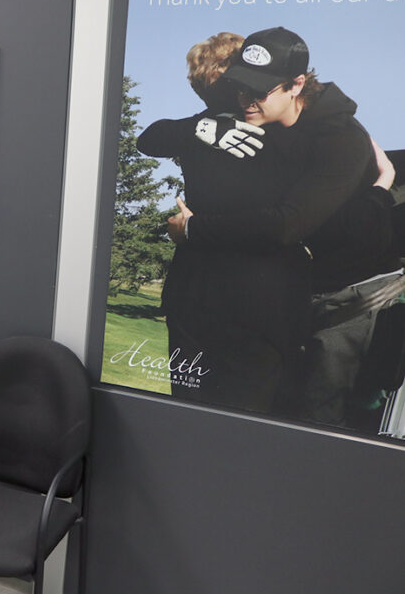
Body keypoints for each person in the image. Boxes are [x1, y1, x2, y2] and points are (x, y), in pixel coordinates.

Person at [138, 27, 390, 415]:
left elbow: (289, 223)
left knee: (234, 425)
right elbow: (151, 137)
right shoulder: (233, 121)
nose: (244, 98)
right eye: (238, 87)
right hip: (214, 301)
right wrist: (202, 128)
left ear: (294, 84)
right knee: (199, 420)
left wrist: (192, 227)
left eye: (255, 89)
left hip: (258, 308)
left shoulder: (323, 135)